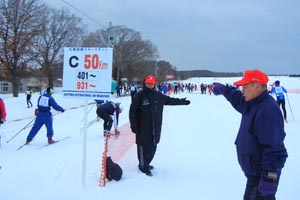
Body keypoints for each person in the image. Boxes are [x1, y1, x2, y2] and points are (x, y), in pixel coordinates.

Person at [212, 69, 288, 200]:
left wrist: (269, 180)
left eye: (245, 87)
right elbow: (238, 99)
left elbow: (275, 151)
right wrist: (224, 90)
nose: (242, 90)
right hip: (254, 176)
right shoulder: (252, 103)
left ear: (257, 86)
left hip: (261, 180)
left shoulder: (267, 111)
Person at [129, 75, 191, 177]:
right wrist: (134, 126)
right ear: (145, 83)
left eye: (151, 83)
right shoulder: (139, 96)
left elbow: (171, 101)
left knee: (153, 147)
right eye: (148, 83)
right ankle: (143, 166)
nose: (149, 85)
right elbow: (132, 112)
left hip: (155, 128)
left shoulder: (158, 96)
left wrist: (182, 101)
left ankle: (147, 163)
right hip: (142, 128)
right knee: (143, 148)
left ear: (154, 84)